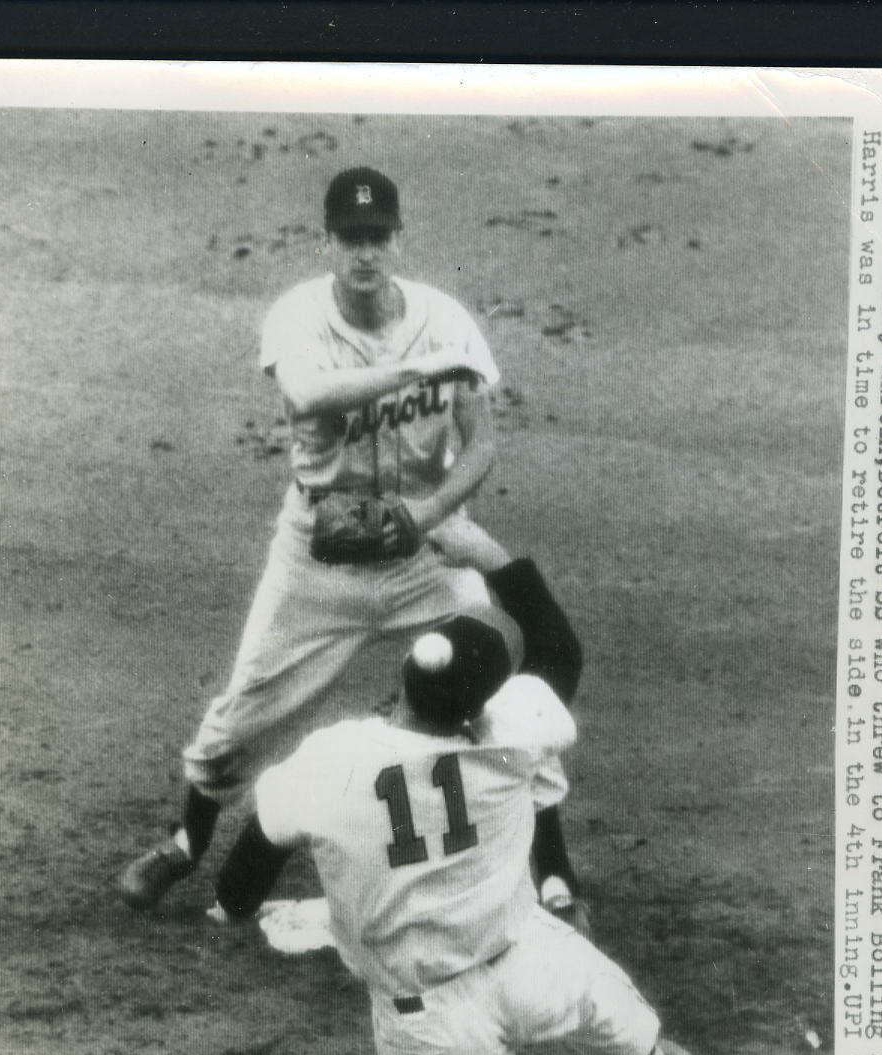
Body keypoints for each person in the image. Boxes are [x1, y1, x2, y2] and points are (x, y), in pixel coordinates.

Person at [119, 166, 586, 924]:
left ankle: (554, 872)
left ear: (397, 240)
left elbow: (480, 444)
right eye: (350, 239)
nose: (364, 254)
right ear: (326, 242)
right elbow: (306, 394)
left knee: (499, 690)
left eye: (377, 238)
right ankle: (181, 845)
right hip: (316, 557)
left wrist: (432, 513)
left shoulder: (447, 321)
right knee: (240, 719)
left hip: (422, 556)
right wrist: (411, 369)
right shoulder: (299, 317)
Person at [225, 611, 716, 1055]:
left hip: (426, 1015)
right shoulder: (512, 743)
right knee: (602, 997)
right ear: (480, 706)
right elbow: (557, 652)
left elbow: (247, 869)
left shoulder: (333, 758)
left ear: (404, 677)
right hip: (525, 960)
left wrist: (234, 905)